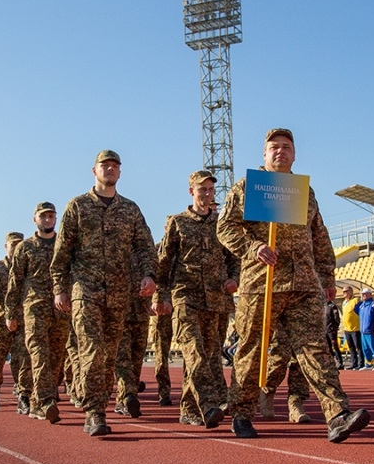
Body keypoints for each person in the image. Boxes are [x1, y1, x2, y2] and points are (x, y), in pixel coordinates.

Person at [216, 127, 370, 443]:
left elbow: (319, 236)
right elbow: (225, 227)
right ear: (264, 153)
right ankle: (242, 414)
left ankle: (337, 415)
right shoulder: (248, 187)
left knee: (315, 348)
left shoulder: (304, 192)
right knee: (251, 348)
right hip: (262, 283)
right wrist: (252, 247)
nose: (280, 151)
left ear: (294, 154)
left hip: (303, 285)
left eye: (286, 146)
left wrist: (327, 277)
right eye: (274, 146)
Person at [50, 150, 158, 437]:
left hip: (120, 294)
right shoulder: (78, 206)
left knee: (109, 355)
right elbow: (62, 253)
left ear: (120, 173)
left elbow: (146, 246)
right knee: (92, 351)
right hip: (85, 291)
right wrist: (59, 289)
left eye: (114, 166)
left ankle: (99, 403)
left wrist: (149, 274)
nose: (109, 169)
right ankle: (95, 412)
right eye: (104, 165)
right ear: (94, 170)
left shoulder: (131, 210)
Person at [152, 170, 239, 429]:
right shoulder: (178, 223)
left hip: (215, 299)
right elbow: (164, 263)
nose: (207, 193)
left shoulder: (221, 224)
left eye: (211, 189)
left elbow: (234, 257)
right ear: (192, 191)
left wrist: (234, 278)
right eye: (202, 189)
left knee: (207, 355)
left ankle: (189, 409)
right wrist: (161, 295)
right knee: (194, 352)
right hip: (185, 297)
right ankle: (209, 403)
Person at [7, 202, 68, 424]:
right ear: (35, 219)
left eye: (51, 216)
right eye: (43, 216)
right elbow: (15, 281)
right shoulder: (25, 247)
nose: (48, 219)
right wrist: (10, 312)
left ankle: (37, 403)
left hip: (60, 310)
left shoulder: (64, 244)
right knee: (39, 355)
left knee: (55, 359)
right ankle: (46, 401)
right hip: (34, 308)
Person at [0, 232, 31, 413]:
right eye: (13, 244)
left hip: (23, 321)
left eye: (20, 244)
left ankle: (23, 396)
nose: (16, 247)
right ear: (6, 246)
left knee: (23, 360)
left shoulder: (27, 266)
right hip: (1, 321)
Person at [115, 252, 153, 418]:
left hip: (140, 311)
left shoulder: (144, 251)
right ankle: (129, 395)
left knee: (136, 358)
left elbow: (155, 272)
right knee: (122, 358)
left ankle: (125, 399)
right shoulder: (115, 246)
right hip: (118, 311)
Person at [355, 288, 374, 370]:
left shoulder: (373, 304)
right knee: (365, 349)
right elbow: (355, 311)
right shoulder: (362, 305)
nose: (364, 295)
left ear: (370, 294)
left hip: (371, 331)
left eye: (366, 294)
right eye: (363, 294)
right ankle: (368, 364)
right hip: (363, 331)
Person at [340, 286, 363, 370]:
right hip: (347, 328)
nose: (344, 293)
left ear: (351, 292)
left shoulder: (355, 300)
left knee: (358, 346)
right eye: (343, 291)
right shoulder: (344, 302)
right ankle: (354, 363)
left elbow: (360, 312)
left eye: (346, 291)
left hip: (355, 328)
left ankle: (361, 363)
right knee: (351, 347)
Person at [323, 299, 343, 369]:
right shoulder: (323, 306)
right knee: (327, 348)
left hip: (331, 330)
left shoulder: (332, 306)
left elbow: (336, 318)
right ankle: (331, 363)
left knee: (335, 346)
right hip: (325, 330)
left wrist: (334, 328)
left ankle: (340, 362)